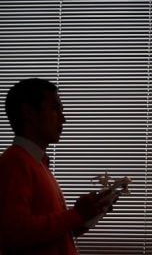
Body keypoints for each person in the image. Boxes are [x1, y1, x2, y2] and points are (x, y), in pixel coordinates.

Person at [0, 78, 115, 255]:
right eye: (55, 108)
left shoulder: (37, 164)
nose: (64, 119)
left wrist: (88, 215)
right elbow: (15, 233)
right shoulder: (15, 162)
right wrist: (76, 214)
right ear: (28, 113)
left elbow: (53, 234)